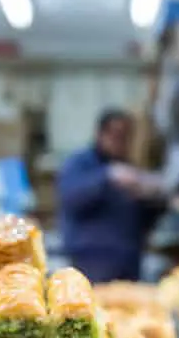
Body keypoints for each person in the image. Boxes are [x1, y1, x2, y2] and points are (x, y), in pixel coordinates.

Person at [57, 109, 164, 283]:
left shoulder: (129, 170)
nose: (120, 143)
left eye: (125, 137)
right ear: (100, 134)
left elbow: (142, 219)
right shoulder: (80, 164)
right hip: (91, 260)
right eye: (116, 135)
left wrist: (151, 198)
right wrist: (106, 177)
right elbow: (71, 199)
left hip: (128, 261)